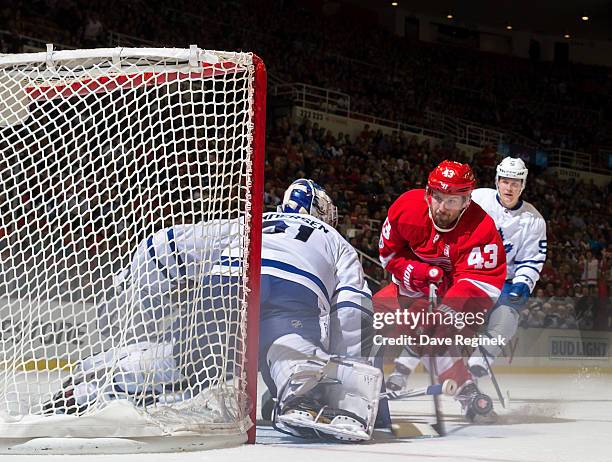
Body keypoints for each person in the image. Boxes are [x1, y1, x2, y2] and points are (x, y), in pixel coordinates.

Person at [44, 179, 382, 442]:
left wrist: (140, 298)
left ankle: (95, 378)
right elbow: (352, 309)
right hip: (293, 296)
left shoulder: (254, 220)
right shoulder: (337, 241)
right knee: (291, 353)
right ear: (323, 212)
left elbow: (164, 244)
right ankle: (300, 388)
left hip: (226, 284)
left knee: (189, 363)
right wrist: (348, 366)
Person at [377, 160, 506, 422]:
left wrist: (448, 310)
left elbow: (481, 281)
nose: (442, 207)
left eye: (452, 201)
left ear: (466, 201)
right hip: (410, 287)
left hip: (457, 295)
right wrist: (422, 274)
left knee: (437, 335)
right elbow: (388, 256)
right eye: (437, 197)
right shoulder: (407, 208)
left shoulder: (481, 228)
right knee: (367, 314)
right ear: (428, 193)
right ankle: (353, 384)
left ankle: (466, 391)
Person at [466, 157, 547, 375]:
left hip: (504, 282)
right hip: (470, 274)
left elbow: (531, 259)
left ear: (523, 185)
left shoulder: (534, 220)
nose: (509, 187)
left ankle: (480, 361)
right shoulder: (478, 198)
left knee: (507, 319)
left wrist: (522, 285)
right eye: (505, 181)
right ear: (497, 181)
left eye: (515, 183)